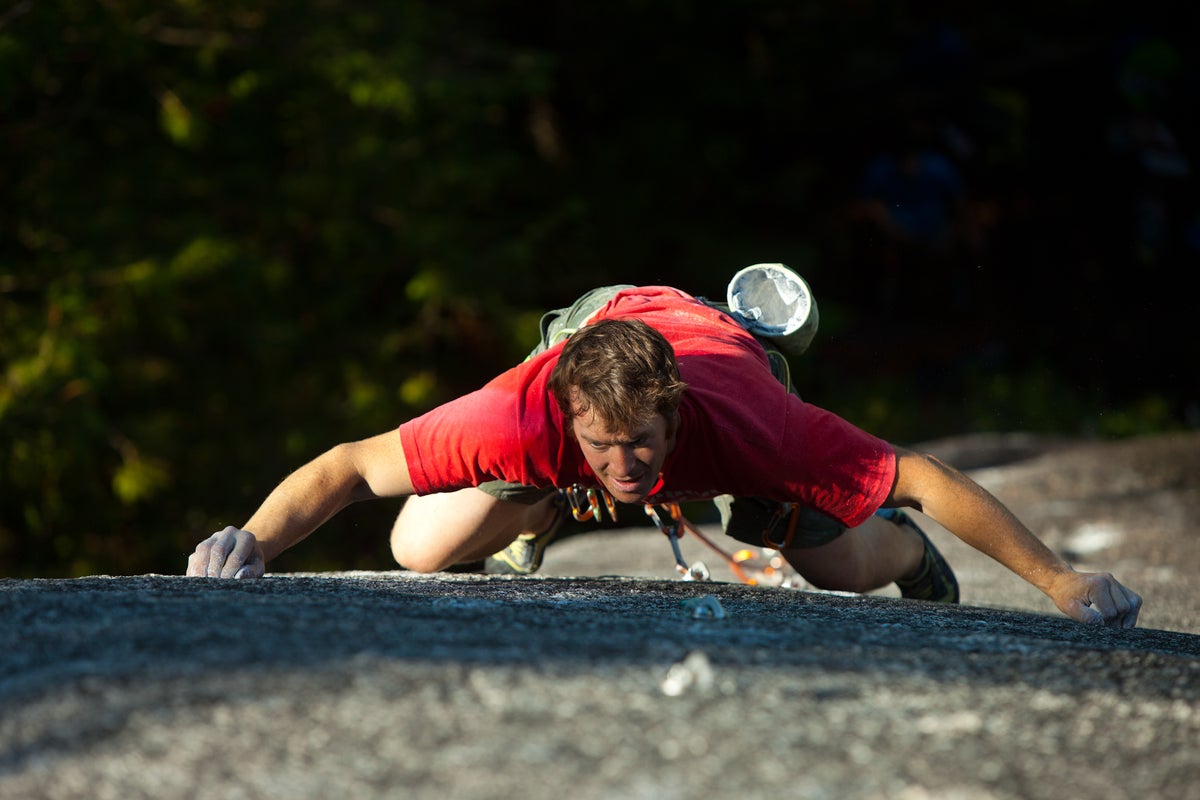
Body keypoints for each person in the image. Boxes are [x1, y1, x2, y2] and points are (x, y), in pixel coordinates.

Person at [186, 282, 1141, 628]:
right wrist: (253, 542)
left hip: (721, 351)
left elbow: (924, 476)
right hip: (600, 324)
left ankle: (905, 560)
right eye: (601, 450)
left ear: (675, 418)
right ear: (565, 413)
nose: (627, 468)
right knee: (417, 553)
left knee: (841, 567)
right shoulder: (520, 413)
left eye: (640, 447)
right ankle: (541, 504)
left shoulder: (753, 424)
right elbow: (352, 464)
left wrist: (1058, 580)